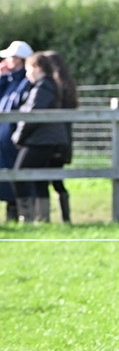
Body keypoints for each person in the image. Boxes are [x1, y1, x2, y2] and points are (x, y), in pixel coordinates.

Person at [11, 51, 70, 223]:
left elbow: (32, 116)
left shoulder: (43, 87)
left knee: (18, 175)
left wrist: (18, 137)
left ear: (37, 68)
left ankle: (27, 217)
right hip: (46, 139)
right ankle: (42, 218)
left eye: (29, 69)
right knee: (40, 178)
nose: (27, 74)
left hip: (40, 140)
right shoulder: (46, 85)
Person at [0, 40, 34, 223]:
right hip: (4, 140)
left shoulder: (25, 82)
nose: (5, 60)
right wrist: (2, 77)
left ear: (19, 59)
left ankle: (20, 215)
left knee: (15, 177)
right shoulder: (9, 80)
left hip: (14, 138)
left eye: (10, 57)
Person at [43, 51, 76, 223]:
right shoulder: (68, 85)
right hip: (64, 140)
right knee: (57, 179)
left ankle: (47, 217)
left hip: (54, 139)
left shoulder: (53, 87)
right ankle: (65, 217)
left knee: (47, 179)